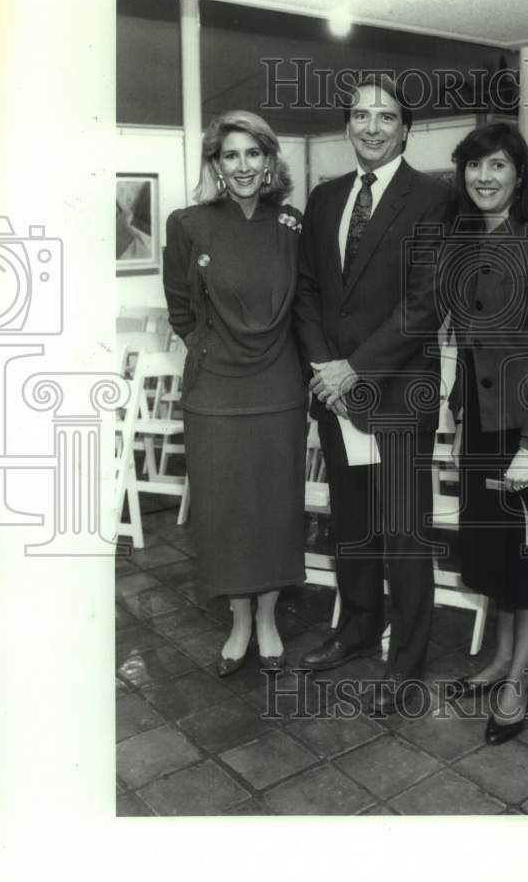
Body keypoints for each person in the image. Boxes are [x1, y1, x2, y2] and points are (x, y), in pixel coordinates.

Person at [293, 76, 449, 716]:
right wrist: (325, 369)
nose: (372, 127)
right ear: (347, 126)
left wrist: (353, 369)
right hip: (334, 395)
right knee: (352, 525)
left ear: (406, 129)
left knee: (402, 535)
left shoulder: (434, 199)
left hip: (396, 395)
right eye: (361, 115)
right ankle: (357, 628)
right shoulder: (326, 197)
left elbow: (425, 304)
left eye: (386, 117)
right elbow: (307, 290)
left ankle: (406, 664)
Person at [437, 121, 528, 744]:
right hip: (483, 418)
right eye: (474, 166)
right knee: (497, 551)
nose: (484, 177)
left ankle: (517, 681)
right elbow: (466, 342)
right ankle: (499, 660)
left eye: (497, 164)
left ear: (520, 174)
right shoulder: (464, 242)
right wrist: (456, 411)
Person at [162, 110, 306, 677]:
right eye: (230, 155)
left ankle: (267, 618)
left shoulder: (291, 223)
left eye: (253, 153)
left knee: (273, 510)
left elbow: (306, 305)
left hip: (279, 389)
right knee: (224, 511)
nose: (243, 165)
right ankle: (239, 621)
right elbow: (179, 308)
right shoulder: (187, 223)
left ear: (268, 160)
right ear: (216, 164)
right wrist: (207, 350)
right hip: (215, 394)